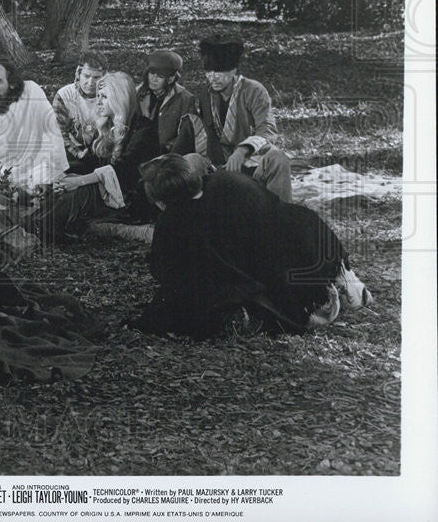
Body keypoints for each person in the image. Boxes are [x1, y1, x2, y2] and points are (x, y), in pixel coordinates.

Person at [131, 154, 372, 338]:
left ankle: (255, 313)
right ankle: (341, 284)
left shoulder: (175, 222)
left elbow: (166, 272)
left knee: (191, 294)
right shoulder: (228, 180)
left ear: (164, 200)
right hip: (316, 258)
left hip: (283, 290)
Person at [176, 33, 293, 202]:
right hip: (220, 164)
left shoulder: (253, 90)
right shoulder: (205, 96)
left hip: (251, 160)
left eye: (219, 71)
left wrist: (242, 150)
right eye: (208, 72)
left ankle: (280, 218)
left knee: (278, 158)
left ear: (232, 71)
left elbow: (267, 128)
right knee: (190, 161)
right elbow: (205, 133)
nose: (212, 77)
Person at [50, 71, 160, 231]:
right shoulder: (105, 127)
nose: (98, 102)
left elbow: (124, 169)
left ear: (119, 99)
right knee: (65, 186)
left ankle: (41, 229)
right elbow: (91, 163)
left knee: (84, 190)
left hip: (131, 199)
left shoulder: (144, 129)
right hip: (107, 192)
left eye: (104, 97)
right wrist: (64, 175)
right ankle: (32, 224)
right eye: (98, 96)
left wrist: (79, 181)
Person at [0, 56, 68, 194]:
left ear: (12, 83)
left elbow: (51, 138)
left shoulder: (30, 95)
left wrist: (41, 176)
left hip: (36, 172)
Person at [52, 52, 108, 173]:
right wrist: (77, 153)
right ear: (79, 74)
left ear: (104, 76)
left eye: (96, 77)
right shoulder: (64, 95)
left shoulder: (110, 95)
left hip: (102, 152)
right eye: (86, 76)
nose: (91, 82)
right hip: (72, 152)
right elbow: (59, 132)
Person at [136, 50, 199, 154]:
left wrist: (167, 149)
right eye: (151, 73)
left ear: (170, 79)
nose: (153, 79)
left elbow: (186, 136)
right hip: (138, 152)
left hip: (167, 155)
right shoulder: (138, 93)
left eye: (160, 76)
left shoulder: (185, 99)